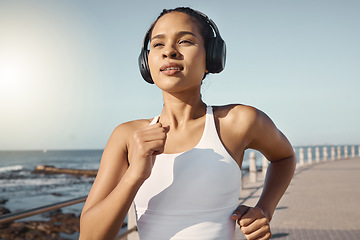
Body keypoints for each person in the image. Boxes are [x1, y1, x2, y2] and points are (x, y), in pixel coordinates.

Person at [79, 7, 296, 240]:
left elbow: (284, 157)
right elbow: (90, 236)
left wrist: (265, 209)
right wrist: (135, 175)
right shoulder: (127, 136)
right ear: (146, 62)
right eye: (158, 44)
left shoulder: (239, 121)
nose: (169, 51)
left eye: (185, 41)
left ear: (212, 57)